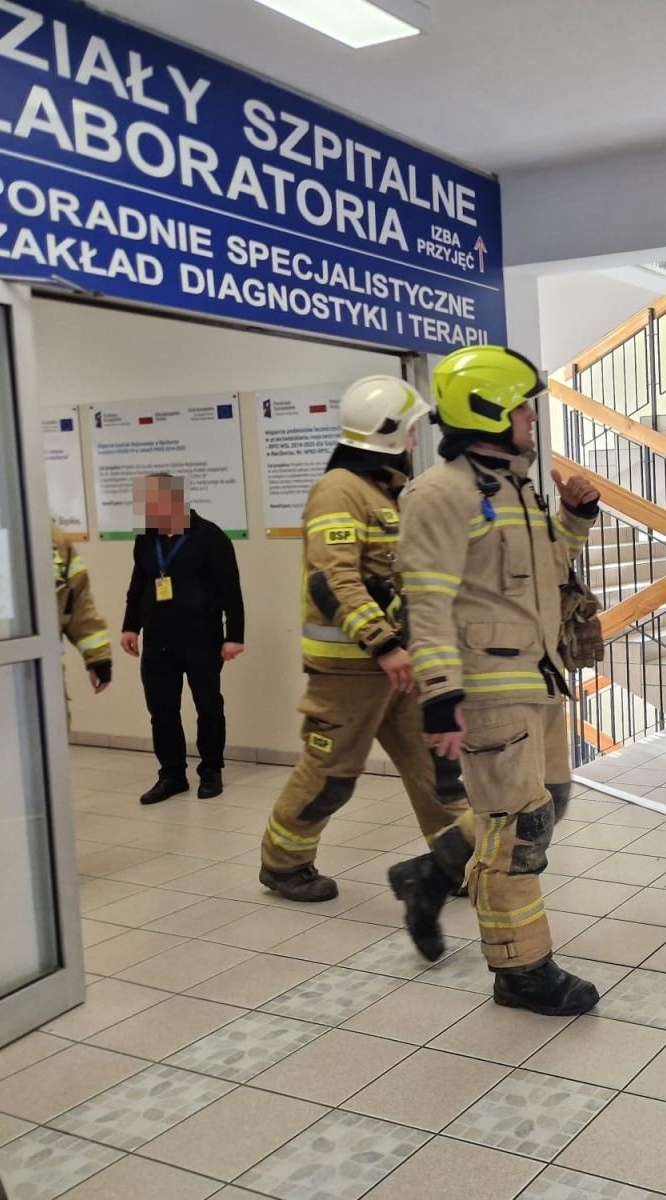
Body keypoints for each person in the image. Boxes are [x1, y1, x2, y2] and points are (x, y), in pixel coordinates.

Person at [386, 345, 602, 1017]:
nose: (532, 419)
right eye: (522, 408)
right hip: (486, 689)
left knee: (550, 804)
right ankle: (521, 972)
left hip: (538, 681)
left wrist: (575, 518)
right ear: (488, 411)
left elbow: (544, 568)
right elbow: (426, 601)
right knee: (519, 829)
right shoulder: (439, 493)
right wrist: (442, 696)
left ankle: (433, 871)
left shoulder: (516, 486)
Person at [258, 376, 472, 902]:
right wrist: (383, 642)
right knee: (331, 774)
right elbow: (333, 578)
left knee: (437, 768)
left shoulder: (385, 490)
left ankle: (460, 861)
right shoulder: (339, 490)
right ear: (389, 432)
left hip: (398, 664)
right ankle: (283, 863)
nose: (418, 438)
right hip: (351, 673)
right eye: (411, 428)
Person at [120, 474, 244, 805]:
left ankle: (211, 770)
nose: (146, 510)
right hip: (158, 640)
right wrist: (130, 627)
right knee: (161, 709)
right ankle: (172, 774)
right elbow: (138, 587)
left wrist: (235, 636)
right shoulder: (146, 540)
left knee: (207, 705)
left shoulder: (210, 537)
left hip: (201, 638)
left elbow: (230, 590)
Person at [52, 523, 111, 726]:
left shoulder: (53, 538)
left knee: (51, 739)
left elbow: (79, 604)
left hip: (45, 672)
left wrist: (98, 658)